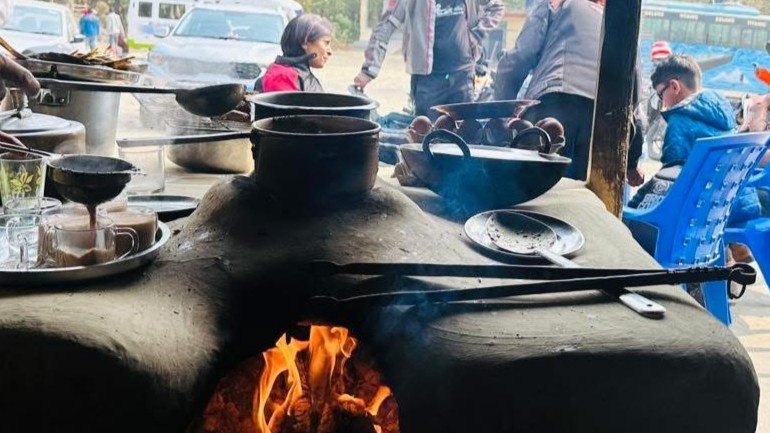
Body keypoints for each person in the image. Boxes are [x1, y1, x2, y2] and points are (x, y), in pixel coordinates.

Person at [494, 0, 644, 184]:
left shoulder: (556, 3)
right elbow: (634, 99)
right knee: (590, 202)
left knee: (534, 194)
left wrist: (502, 113)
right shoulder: (622, 23)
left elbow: (519, 58)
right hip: (608, 124)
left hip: (555, 105)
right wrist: (632, 162)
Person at [352, 0, 505, 119]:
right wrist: (368, 71)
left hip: (462, 77)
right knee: (425, 136)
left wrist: (475, 35)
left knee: (463, 136)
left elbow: (496, 7)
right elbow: (386, 25)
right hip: (428, 81)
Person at [255, 14, 333, 93]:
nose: (330, 52)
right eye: (326, 43)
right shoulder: (282, 77)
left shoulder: (300, 74)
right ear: (305, 43)